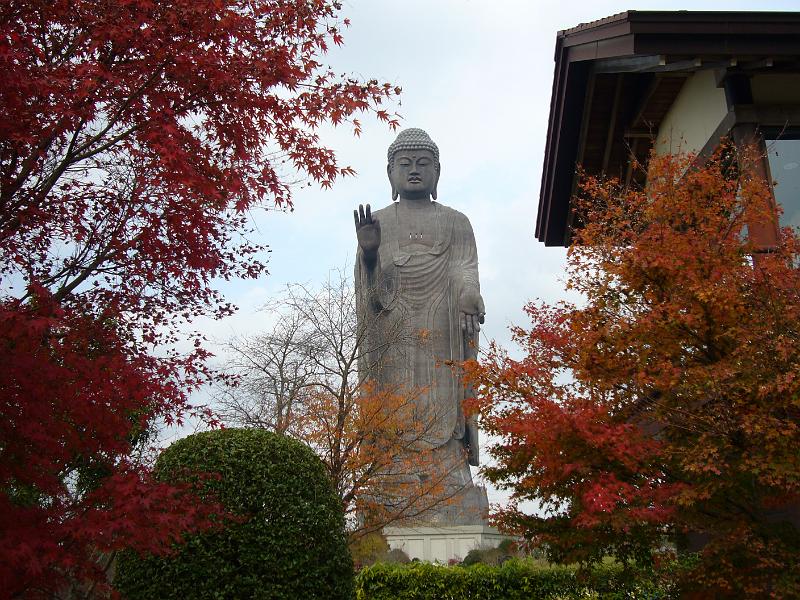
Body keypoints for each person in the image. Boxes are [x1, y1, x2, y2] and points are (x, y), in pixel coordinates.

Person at [353, 128, 488, 525]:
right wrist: (371, 254)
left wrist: (467, 294)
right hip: (393, 330)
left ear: (438, 171)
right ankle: (392, 472)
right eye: (405, 164)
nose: (414, 171)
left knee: (444, 395)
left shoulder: (456, 223)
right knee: (396, 399)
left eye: (423, 164)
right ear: (390, 172)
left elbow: (466, 269)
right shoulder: (377, 221)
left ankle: (450, 474)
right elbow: (371, 295)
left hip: (443, 325)